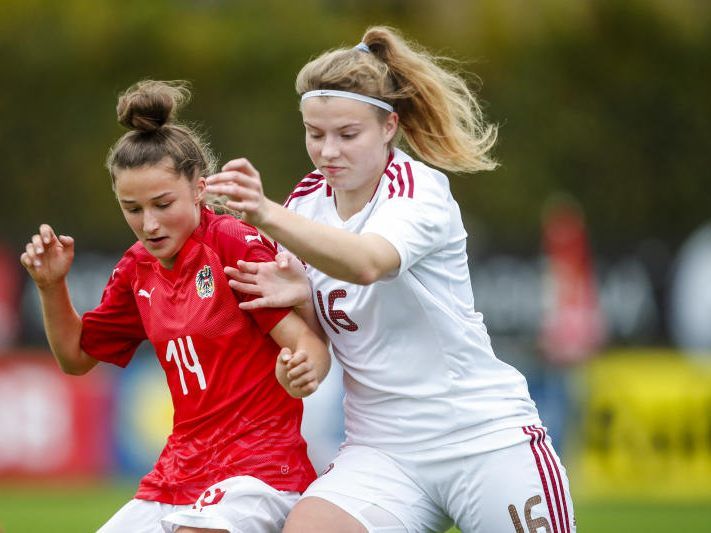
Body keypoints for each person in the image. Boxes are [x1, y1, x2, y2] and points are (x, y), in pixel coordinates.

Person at [206, 26, 576, 533]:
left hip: (482, 437)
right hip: (382, 451)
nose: (328, 151)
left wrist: (264, 213)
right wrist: (301, 353)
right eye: (315, 134)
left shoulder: (419, 189)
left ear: (389, 128)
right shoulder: (304, 204)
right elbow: (332, 325)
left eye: (347, 134)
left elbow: (367, 263)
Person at [19, 80, 330, 533]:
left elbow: (306, 341)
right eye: (132, 208)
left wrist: (303, 368)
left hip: (258, 470)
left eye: (163, 204)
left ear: (199, 189)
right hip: (178, 473)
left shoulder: (230, 243)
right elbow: (76, 357)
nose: (149, 223)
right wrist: (51, 286)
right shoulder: (137, 269)